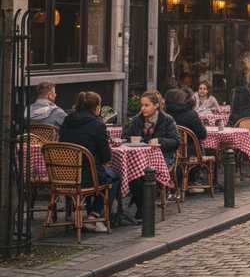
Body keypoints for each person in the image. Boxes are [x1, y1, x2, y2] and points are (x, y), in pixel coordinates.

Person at [59, 91, 120, 232]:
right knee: (114, 177)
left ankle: (80, 213)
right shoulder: (97, 124)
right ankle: (95, 215)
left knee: (101, 173)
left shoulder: (67, 120)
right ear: (97, 107)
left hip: (64, 173)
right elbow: (106, 157)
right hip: (88, 175)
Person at [126, 90, 180, 220]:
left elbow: (176, 141)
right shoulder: (136, 120)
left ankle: (143, 209)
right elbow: (126, 137)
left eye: (146, 105)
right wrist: (132, 139)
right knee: (134, 174)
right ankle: (142, 207)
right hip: (140, 158)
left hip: (162, 157)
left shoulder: (166, 119)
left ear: (155, 105)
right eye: (142, 105)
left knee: (146, 174)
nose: (143, 108)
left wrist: (160, 141)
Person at [164, 88, 207, 155]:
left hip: (168, 153)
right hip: (189, 153)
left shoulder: (163, 115)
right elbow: (203, 135)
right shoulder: (191, 114)